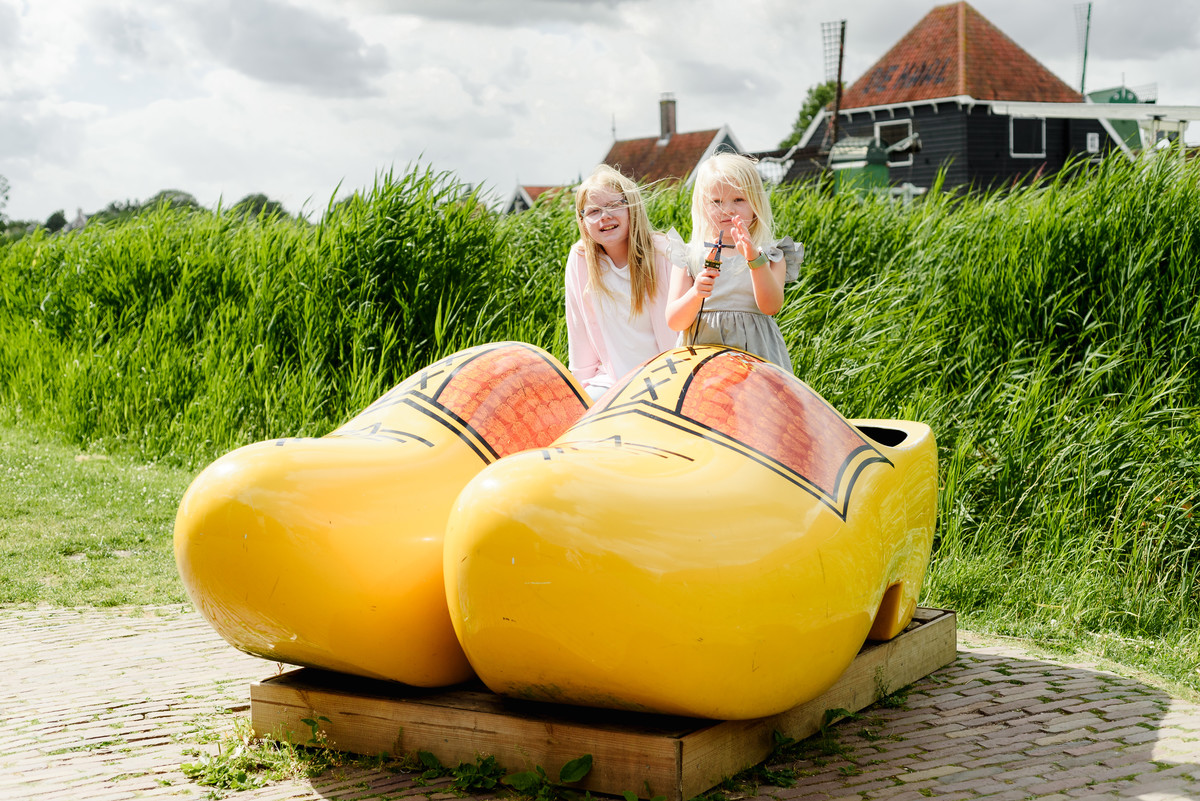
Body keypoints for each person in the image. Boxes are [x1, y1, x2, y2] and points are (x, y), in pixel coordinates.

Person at [664, 153, 802, 372]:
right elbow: (675, 321)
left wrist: (754, 259)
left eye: (738, 199)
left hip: (757, 361)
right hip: (702, 362)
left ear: (755, 203)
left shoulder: (771, 254)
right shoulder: (689, 255)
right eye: (716, 201)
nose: (728, 209)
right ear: (702, 206)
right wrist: (696, 293)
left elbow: (771, 306)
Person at [565, 165, 677, 400]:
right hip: (612, 380)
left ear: (632, 207)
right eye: (593, 211)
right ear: (582, 220)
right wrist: (581, 391)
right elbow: (579, 335)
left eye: (614, 205)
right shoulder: (581, 259)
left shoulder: (664, 252)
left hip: (667, 374)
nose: (605, 216)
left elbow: (684, 328)